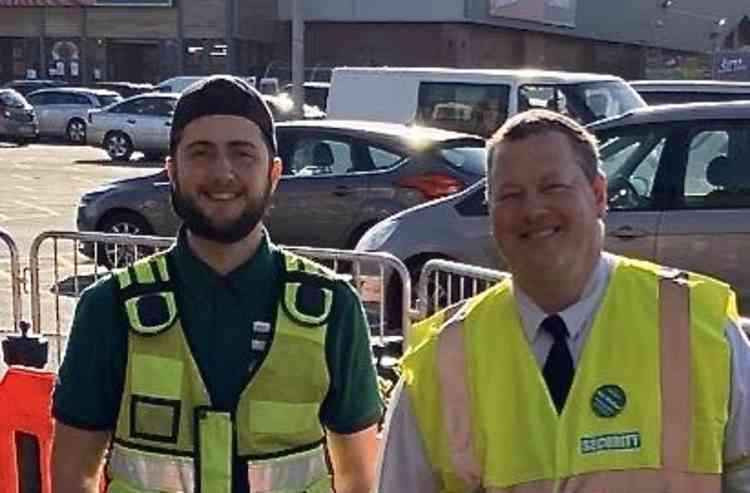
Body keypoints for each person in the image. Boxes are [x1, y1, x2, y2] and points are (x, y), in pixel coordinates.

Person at [376, 109, 750, 492]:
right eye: (510, 195)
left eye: (553, 187)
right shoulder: (441, 361)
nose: (533, 210)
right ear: (491, 212)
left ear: (598, 195)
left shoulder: (701, 330)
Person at [51, 75, 382, 493]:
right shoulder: (109, 308)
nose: (222, 172)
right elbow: (71, 476)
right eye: (201, 153)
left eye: (242, 154)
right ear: (171, 171)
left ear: (274, 172)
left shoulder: (334, 307)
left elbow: (360, 478)